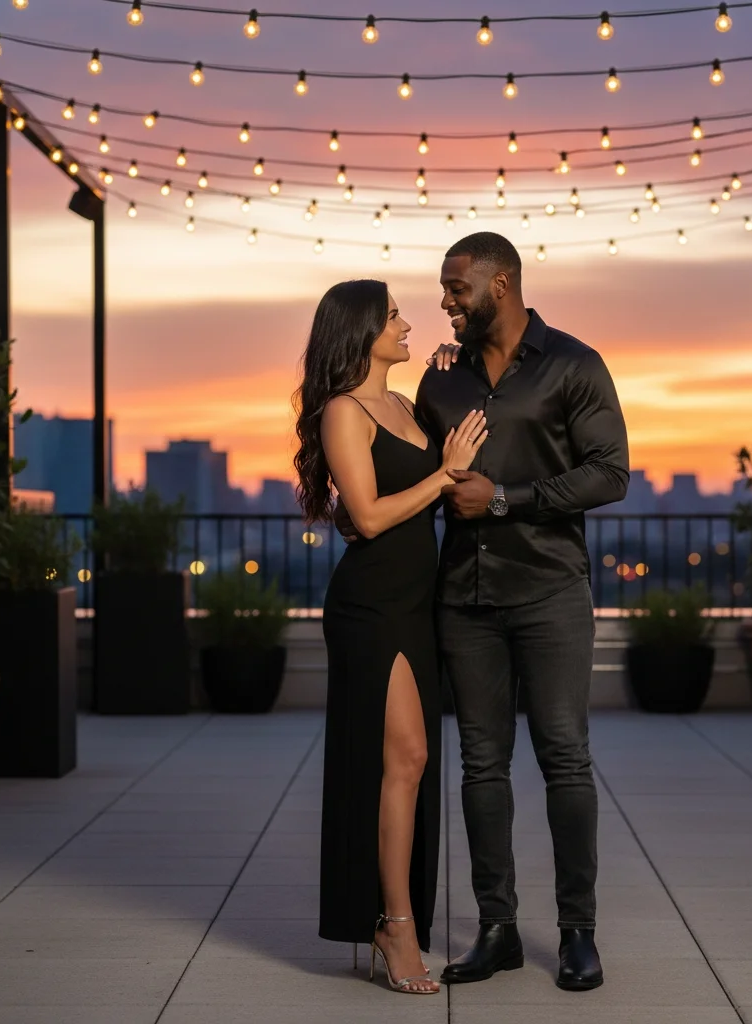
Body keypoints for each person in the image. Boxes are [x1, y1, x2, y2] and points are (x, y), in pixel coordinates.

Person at [339, 232, 629, 991]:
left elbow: (611, 474)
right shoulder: (439, 382)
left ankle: (577, 934)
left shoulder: (574, 364)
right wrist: (352, 512)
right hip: (462, 601)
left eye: (455, 289)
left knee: (565, 760)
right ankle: (496, 928)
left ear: (500, 286)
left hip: (551, 591)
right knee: (480, 766)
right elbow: (406, 468)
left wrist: (507, 499)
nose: (443, 302)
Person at [294, 279, 488, 996]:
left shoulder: (406, 406)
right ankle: (395, 923)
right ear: (361, 331)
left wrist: (452, 368)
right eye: (395, 316)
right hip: (370, 605)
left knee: (410, 762)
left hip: (415, 603)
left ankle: (394, 915)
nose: (408, 324)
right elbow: (370, 517)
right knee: (404, 757)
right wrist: (443, 476)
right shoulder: (344, 412)